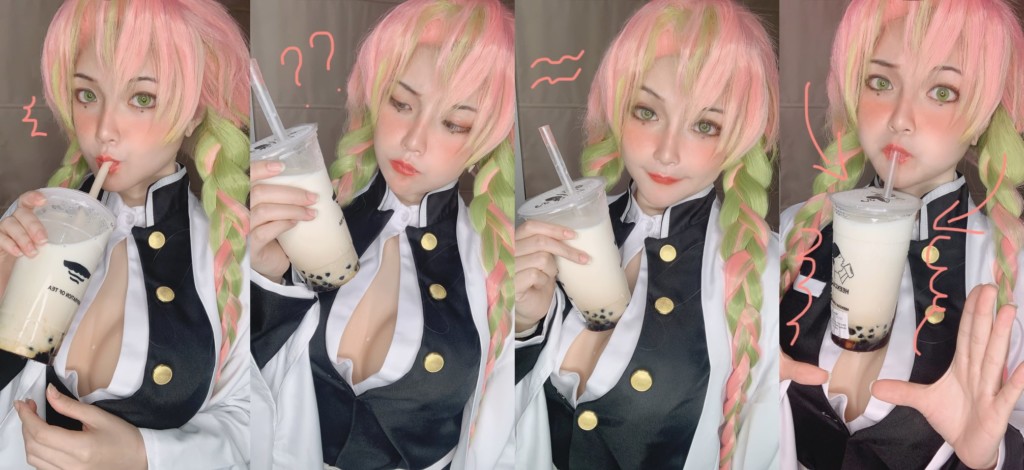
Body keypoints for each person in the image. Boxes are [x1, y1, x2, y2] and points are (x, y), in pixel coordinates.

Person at [248, 0, 515, 468]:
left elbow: (506, 438)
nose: (413, 140)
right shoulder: (304, 220)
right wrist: (264, 281)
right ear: (374, 97)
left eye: (455, 124)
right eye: (401, 103)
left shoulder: (497, 267)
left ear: (486, 138)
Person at [513, 0, 780, 468]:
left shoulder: (763, 270)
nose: (667, 152)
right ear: (617, 110)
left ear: (740, 137)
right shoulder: (554, 236)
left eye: (705, 125)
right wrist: (520, 328)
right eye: (647, 112)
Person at [0, 0, 251, 468]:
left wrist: (145, 455)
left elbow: (254, 424)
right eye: (87, 94)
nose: (104, 131)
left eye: (142, 98)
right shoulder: (31, 221)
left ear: (194, 112)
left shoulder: (232, 254)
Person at [779, 0, 1024, 468]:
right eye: (880, 82)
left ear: (982, 121)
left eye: (943, 91)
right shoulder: (796, 230)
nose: (900, 118)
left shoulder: (1010, 268)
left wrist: (993, 458)